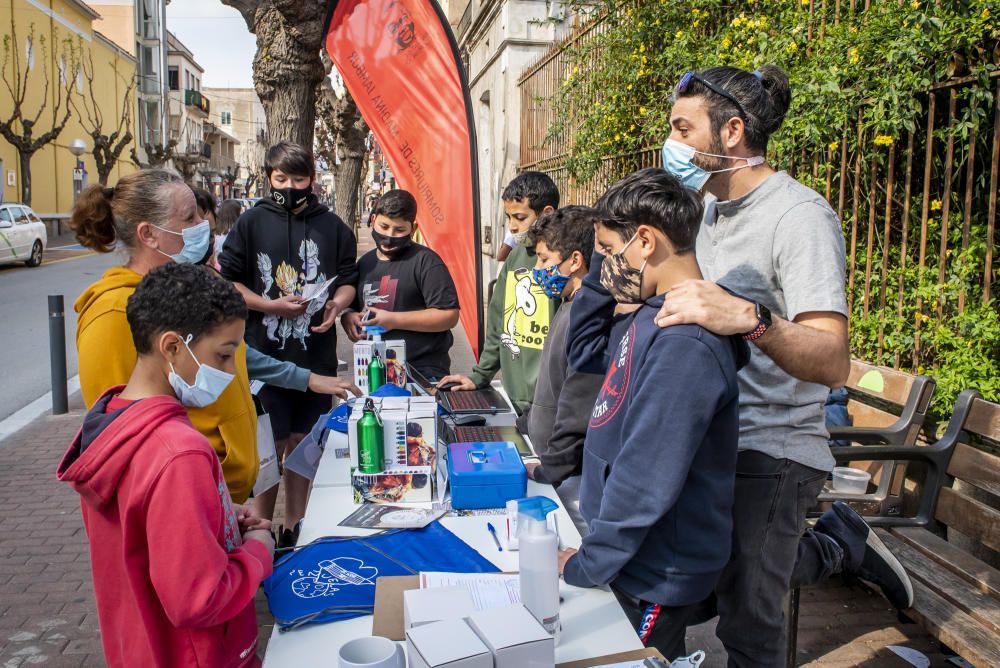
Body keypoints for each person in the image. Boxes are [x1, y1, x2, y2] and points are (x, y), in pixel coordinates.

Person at [653, 65, 912, 666]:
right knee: (703, 582)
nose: (673, 144)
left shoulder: (800, 217)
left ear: (733, 132)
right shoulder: (710, 213)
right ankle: (837, 544)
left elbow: (831, 361)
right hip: (710, 441)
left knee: (748, 621)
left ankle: (838, 547)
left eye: (682, 129)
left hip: (772, 445)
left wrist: (751, 318)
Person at [71, 169, 356, 505]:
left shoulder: (188, 287)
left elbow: (236, 354)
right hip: (181, 497)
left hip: (216, 493)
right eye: (189, 218)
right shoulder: (112, 314)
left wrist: (307, 379)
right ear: (148, 234)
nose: (204, 226)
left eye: (200, 215)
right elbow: (119, 437)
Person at [559, 168, 749, 660]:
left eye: (605, 251)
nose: (601, 266)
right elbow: (584, 351)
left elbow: (647, 472)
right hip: (631, 556)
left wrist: (590, 562)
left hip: (656, 568)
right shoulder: (650, 315)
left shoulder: (688, 342)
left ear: (644, 241)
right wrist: (605, 281)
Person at [57, 263, 274, 668]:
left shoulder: (112, 422)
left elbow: (145, 536)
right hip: (196, 655)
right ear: (173, 346)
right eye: (223, 355)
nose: (229, 372)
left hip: (140, 645)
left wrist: (220, 516)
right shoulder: (180, 453)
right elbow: (199, 598)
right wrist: (258, 554)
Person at [220, 141, 359, 542]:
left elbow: (348, 280)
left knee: (304, 445)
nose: (291, 187)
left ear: (312, 180)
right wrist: (269, 305)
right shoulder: (250, 223)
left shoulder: (333, 227)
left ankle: (296, 528)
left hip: (316, 355)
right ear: (269, 178)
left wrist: (336, 305)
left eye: (299, 179)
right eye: (281, 179)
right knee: (269, 449)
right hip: (263, 356)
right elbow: (228, 281)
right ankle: (260, 530)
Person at [437, 171, 561, 416]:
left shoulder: (564, 263)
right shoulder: (514, 258)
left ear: (547, 213)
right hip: (514, 397)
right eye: (508, 217)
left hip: (553, 403)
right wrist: (480, 375)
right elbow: (497, 325)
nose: (512, 226)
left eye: (520, 217)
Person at [521, 206, 605, 534]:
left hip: (570, 477)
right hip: (551, 463)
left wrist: (552, 467)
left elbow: (581, 405)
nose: (537, 269)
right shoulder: (569, 304)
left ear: (574, 260)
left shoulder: (586, 316)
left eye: (544, 259)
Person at [341, 189, 459, 380]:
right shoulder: (364, 263)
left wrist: (393, 320)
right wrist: (348, 318)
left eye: (399, 230)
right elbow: (352, 309)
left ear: (413, 229)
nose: (389, 236)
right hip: (374, 371)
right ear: (372, 221)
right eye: (384, 226)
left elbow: (449, 316)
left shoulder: (426, 262)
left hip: (423, 374)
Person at [215, 199, 243, 269]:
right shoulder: (237, 232)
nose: (242, 214)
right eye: (240, 212)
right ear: (235, 214)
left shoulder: (215, 232)